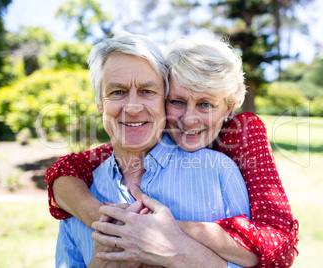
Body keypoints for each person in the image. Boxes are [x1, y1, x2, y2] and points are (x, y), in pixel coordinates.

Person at [46, 34, 299, 267]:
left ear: (229, 107)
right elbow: (80, 164)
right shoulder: (90, 181)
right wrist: (107, 224)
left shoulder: (234, 148)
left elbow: (276, 243)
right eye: (177, 102)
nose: (189, 119)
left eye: (206, 104)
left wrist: (161, 234)